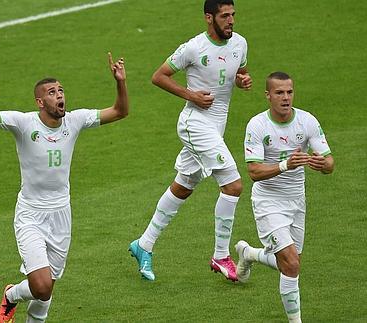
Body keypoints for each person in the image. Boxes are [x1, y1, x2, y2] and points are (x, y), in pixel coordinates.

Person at [0, 53, 128, 323]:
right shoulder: (24, 124)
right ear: (39, 101)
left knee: (45, 293)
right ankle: (11, 295)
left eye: (61, 90)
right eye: (52, 92)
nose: (59, 96)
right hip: (31, 215)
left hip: (61, 215)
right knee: (41, 286)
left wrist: (120, 83)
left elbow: (120, 111)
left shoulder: (75, 121)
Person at [129, 0, 252, 281]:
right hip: (194, 123)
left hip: (216, 126)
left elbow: (239, 72)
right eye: (225, 16)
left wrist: (242, 81)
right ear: (209, 18)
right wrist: (191, 95)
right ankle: (221, 255)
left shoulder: (240, 43)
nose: (231, 20)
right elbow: (158, 77)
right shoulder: (194, 47)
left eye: (233, 15)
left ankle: (143, 244)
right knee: (233, 185)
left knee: (184, 186)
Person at [235, 71, 334, 323]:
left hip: (297, 200)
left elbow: (330, 162)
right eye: (279, 92)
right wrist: (285, 165)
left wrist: (322, 164)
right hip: (268, 202)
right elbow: (254, 172)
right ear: (268, 95)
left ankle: (249, 254)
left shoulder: (307, 121)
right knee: (290, 263)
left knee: (290, 265)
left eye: (289, 92)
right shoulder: (257, 125)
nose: (286, 97)